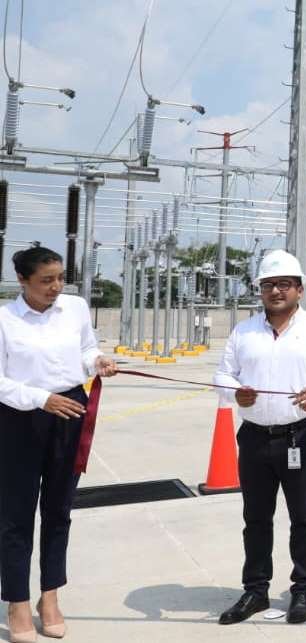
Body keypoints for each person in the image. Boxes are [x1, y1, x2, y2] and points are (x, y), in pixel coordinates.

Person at [213, 250, 306, 626]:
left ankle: (302, 590)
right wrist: (234, 392)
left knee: (303, 518)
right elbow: (222, 375)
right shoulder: (244, 332)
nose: (275, 291)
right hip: (255, 438)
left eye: (283, 284)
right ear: (259, 290)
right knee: (256, 518)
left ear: (299, 290)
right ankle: (255, 591)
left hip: (300, 438)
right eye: (268, 285)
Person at [0, 247, 117, 643]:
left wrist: (97, 360)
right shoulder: (4, 318)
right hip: (21, 417)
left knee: (59, 510)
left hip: (70, 412)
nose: (56, 287)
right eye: (46, 280)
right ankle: (16, 599)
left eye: (60, 278)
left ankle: (49, 596)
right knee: (16, 515)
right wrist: (40, 399)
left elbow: (86, 349)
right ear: (22, 281)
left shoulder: (76, 308)